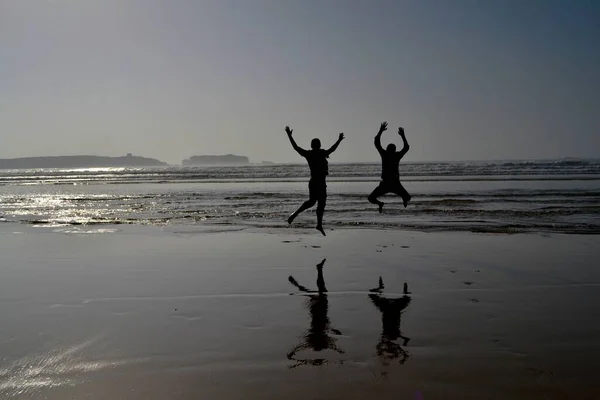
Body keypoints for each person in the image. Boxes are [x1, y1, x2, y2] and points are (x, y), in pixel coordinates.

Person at [285, 126, 344, 235]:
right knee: (319, 203)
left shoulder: (310, 154)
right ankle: (317, 223)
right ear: (319, 145)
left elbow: (296, 147)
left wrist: (289, 135)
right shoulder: (321, 153)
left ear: (312, 145)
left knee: (312, 202)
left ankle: (297, 215)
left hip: (314, 182)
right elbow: (333, 148)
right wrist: (339, 140)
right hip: (319, 182)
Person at [368, 122, 411, 213]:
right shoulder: (394, 155)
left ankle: (381, 203)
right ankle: (381, 203)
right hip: (389, 184)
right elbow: (406, 147)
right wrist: (403, 136)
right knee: (371, 198)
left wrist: (381, 130)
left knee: (371, 198)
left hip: (392, 184)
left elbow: (377, 142)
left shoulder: (387, 155)